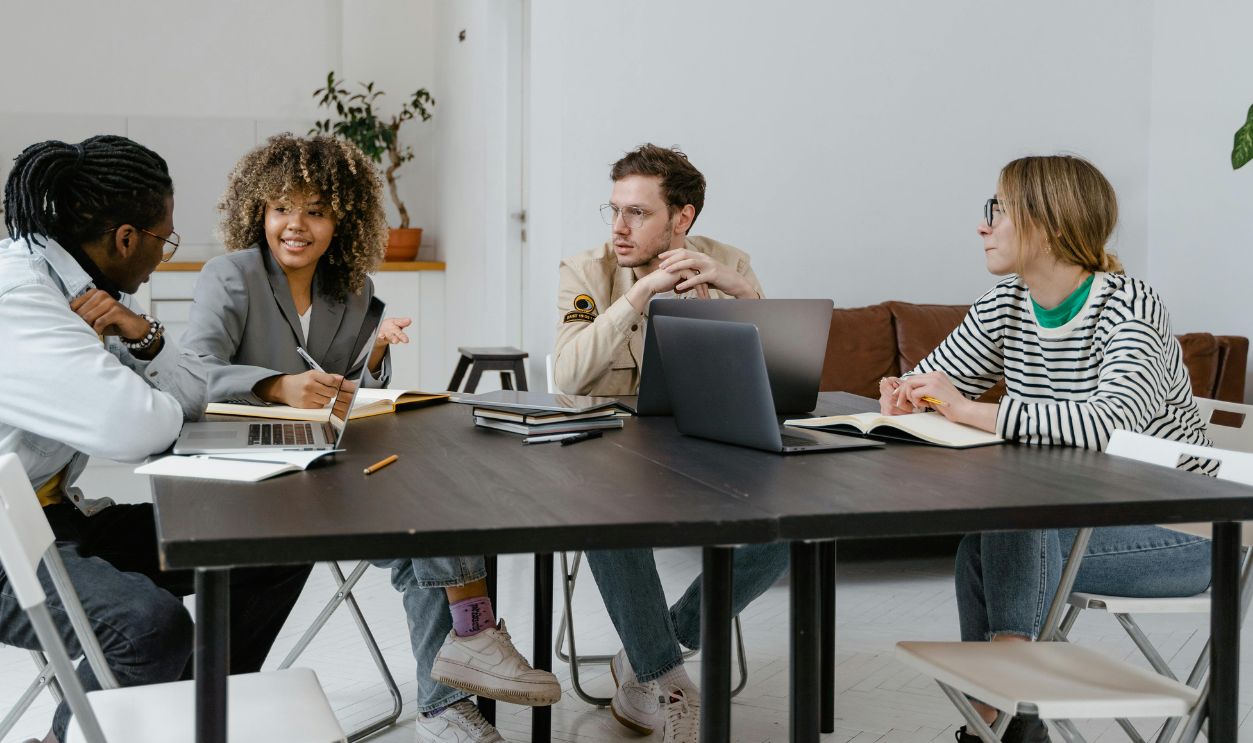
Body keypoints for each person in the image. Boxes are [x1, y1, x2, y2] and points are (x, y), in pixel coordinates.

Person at [182, 133, 558, 743]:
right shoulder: (231, 276)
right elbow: (193, 370)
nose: (295, 226)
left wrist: (376, 352)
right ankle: (468, 650)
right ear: (259, 211)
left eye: (316, 211)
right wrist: (277, 386)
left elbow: (348, 389)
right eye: (281, 208)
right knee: (422, 520)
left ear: (342, 219)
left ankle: (450, 697)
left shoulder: (352, 288)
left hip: (327, 470)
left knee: (426, 517)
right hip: (249, 473)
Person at [881, 155, 1212, 743]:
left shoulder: (1128, 306)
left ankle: (1000, 710)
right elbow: (937, 381)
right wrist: (910, 394)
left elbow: (1107, 424)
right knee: (986, 539)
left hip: (1183, 531)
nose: (983, 226)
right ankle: (1009, 715)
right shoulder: (1007, 302)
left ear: (1051, 224)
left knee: (1012, 520)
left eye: (998, 212)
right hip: (1078, 518)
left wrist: (966, 408)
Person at [0, 136, 311, 743]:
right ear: (124, 238)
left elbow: (191, 394)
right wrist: (153, 399)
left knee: (274, 546)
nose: (164, 254)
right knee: (146, 627)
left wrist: (144, 337)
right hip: (7, 543)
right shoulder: (22, 302)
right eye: (165, 239)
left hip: (58, 519)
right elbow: (139, 430)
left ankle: (185, 721)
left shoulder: (93, 291)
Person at [553, 143, 788, 742]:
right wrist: (638, 295)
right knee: (607, 517)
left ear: (681, 219)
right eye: (614, 210)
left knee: (789, 530)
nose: (618, 227)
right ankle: (670, 681)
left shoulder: (728, 262)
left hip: (700, 447)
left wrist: (742, 295)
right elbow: (568, 375)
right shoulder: (587, 271)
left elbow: (777, 379)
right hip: (608, 449)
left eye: (637, 213)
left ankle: (642, 659)